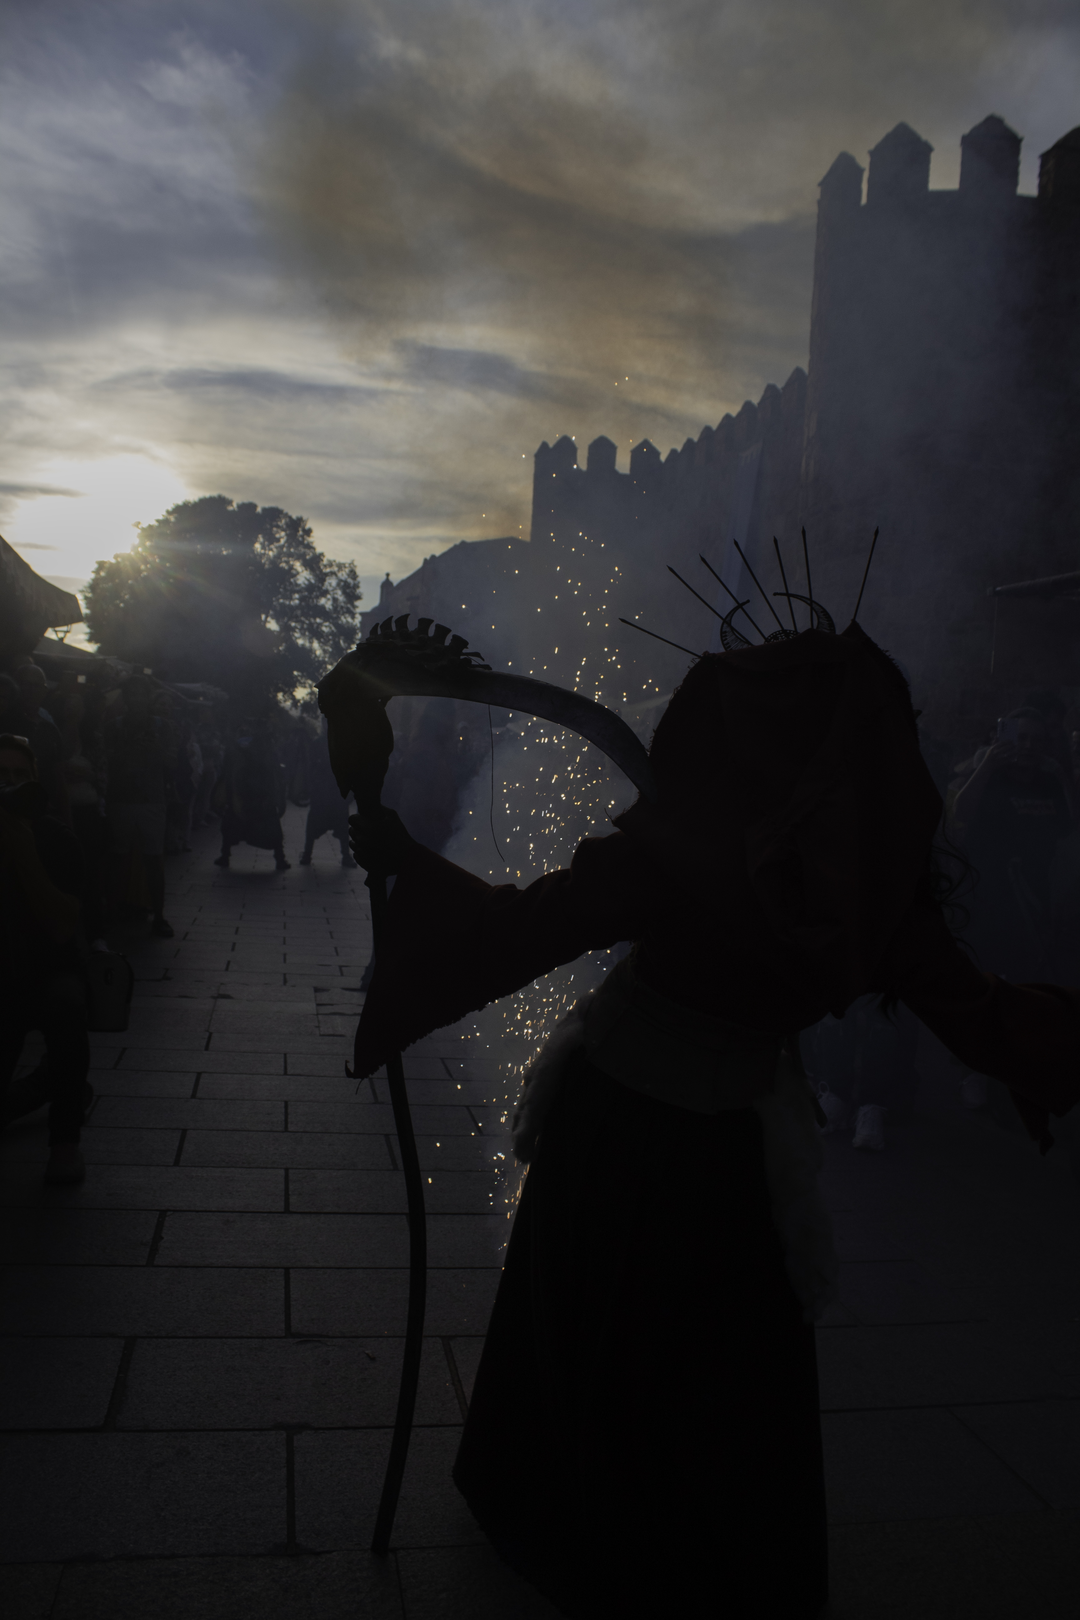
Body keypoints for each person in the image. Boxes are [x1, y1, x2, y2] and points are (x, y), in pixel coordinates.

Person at [330, 622, 1080, 1619]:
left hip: (622, 1126)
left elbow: (515, 934)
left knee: (599, 1331)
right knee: (721, 1368)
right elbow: (980, 1012)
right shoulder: (869, 894)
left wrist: (406, 861)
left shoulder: (680, 853)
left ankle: (576, 1516)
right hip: (731, 1144)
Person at [0, 734, 91, 1185]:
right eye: (2, 777)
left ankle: (65, 1142)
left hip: (48, 967)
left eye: (19, 777)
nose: (10, 786)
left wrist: (24, 854)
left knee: (68, 1006)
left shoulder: (55, 838)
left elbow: (63, 925)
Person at [104, 675, 174, 938]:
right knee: (118, 860)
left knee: (153, 860)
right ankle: (111, 913)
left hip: (150, 801)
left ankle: (159, 915)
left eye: (141, 695)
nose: (137, 700)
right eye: (132, 695)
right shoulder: (114, 728)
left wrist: (155, 749)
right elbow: (107, 760)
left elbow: (172, 763)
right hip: (122, 799)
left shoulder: (163, 728)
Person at [214, 719, 290, 871]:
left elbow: (228, 770)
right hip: (260, 794)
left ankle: (225, 855)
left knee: (233, 824)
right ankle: (279, 859)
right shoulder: (265, 746)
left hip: (246, 793)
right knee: (270, 828)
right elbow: (274, 771)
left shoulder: (237, 746)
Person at [299, 716, 356, 867]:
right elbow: (310, 768)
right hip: (321, 793)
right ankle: (307, 854)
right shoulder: (317, 744)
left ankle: (345, 855)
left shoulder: (343, 745)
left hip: (337, 793)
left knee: (343, 827)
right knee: (313, 826)